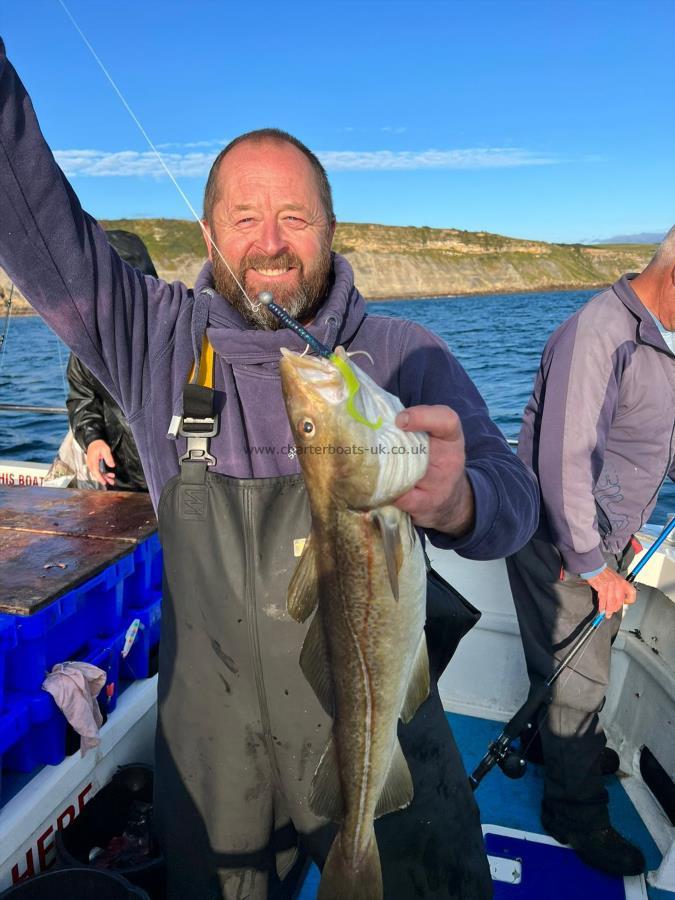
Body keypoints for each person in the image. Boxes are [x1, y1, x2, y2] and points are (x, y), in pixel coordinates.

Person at [0, 38, 539, 899]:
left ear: (330, 229)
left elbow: (516, 508)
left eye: (294, 216)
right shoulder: (152, 338)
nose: (271, 242)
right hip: (211, 740)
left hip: (369, 717)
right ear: (208, 233)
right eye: (244, 218)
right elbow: (29, 210)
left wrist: (462, 498)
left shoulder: (405, 353)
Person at [506, 228, 675, 877]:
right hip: (556, 538)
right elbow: (562, 459)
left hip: (602, 530)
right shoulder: (601, 332)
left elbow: (652, 440)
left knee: (568, 666)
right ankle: (571, 809)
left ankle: (558, 749)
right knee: (580, 677)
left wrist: (631, 522)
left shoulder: (655, 341)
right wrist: (590, 562)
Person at [66, 230, 157, 491]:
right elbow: (82, 397)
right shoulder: (87, 341)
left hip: (180, 476)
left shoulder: (175, 329)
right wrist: (93, 439)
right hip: (121, 477)